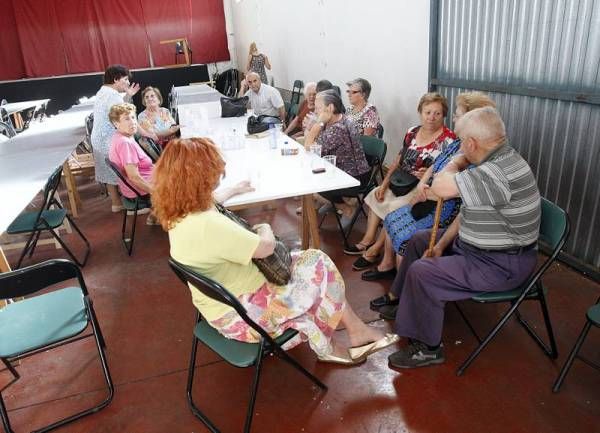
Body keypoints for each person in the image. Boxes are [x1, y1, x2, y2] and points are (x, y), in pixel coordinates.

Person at [152, 137, 399, 364]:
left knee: (315, 260)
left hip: (220, 304)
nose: (220, 175)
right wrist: (264, 226)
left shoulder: (182, 211)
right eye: (214, 172)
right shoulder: (209, 224)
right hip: (245, 315)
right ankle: (337, 343)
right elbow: (266, 247)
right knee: (321, 269)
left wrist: (235, 189)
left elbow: (215, 199)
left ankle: (355, 331)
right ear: (198, 179)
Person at [384, 107, 541, 369]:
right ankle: (403, 303)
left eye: (461, 143)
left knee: (424, 272)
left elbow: (441, 187)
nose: (459, 148)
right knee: (422, 240)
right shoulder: (493, 160)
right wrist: (440, 244)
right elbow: (467, 213)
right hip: (479, 248)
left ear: (471, 143)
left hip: (501, 264)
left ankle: (428, 348)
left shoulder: (495, 172)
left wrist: (455, 163)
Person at [360, 93, 497, 285]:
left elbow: (453, 190)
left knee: (402, 227)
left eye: (454, 115)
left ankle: (401, 289)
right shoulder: (455, 143)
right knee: (386, 207)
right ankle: (387, 265)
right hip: (419, 189)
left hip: (444, 206)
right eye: (427, 112)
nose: (453, 119)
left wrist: (422, 191)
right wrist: (418, 187)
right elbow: (433, 166)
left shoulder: (464, 146)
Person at [344, 93, 456, 272]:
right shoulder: (412, 131)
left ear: (444, 115)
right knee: (376, 194)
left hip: (422, 189)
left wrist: (430, 177)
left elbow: (448, 173)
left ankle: (375, 249)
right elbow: (399, 158)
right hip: (401, 181)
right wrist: (386, 182)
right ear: (420, 112)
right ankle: (368, 239)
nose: (432, 118)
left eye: (437, 113)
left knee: (394, 207)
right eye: (428, 112)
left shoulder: (449, 140)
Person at [91, 64, 158, 213]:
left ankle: (117, 203)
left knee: (111, 171)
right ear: (116, 79)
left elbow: (121, 110)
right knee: (125, 170)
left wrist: (128, 95)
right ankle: (134, 201)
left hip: (100, 138)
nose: (128, 83)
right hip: (109, 137)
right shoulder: (113, 95)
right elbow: (127, 117)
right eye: (126, 79)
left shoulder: (103, 91)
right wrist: (146, 133)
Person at [304, 90, 371, 219]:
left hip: (353, 178)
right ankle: (330, 202)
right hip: (342, 170)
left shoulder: (338, 129)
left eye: (318, 108)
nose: (316, 111)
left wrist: (317, 124)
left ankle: (345, 208)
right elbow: (312, 143)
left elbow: (308, 146)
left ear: (330, 107)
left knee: (311, 183)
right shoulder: (338, 120)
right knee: (310, 176)